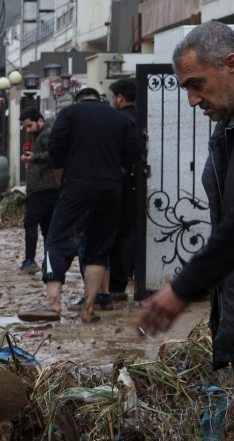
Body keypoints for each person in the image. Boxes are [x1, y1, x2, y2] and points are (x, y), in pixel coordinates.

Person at [142, 21, 234, 441]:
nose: (193, 101)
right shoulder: (224, 129)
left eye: (198, 85)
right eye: (186, 91)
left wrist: (178, 290)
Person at [17, 88, 140, 324]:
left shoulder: (70, 113)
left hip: (76, 187)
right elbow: (135, 151)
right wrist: (116, 173)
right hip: (111, 190)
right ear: (100, 99)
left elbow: (56, 145)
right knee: (98, 249)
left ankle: (53, 302)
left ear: (78, 100)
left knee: (56, 238)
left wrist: (60, 176)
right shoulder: (119, 117)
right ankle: (88, 309)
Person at [107, 77, 138, 300]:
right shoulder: (145, 117)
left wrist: (122, 169)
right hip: (149, 185)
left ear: (119, 97)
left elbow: (130, 150)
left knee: (119, 234)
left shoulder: (118, 120)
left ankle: (120, 282)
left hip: (122, 187)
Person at [18, 108, 59, 274]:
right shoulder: (40, 136)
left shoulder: (47, 134)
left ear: (40, 121)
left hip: (44, 188)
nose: (28, 130)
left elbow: (55, 154)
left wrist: (35, 158)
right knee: (47, 228)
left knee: (30, 221)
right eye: (26, 127)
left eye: (30, 126)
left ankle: (30, 261)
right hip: (46, 187)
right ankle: (49, 264)